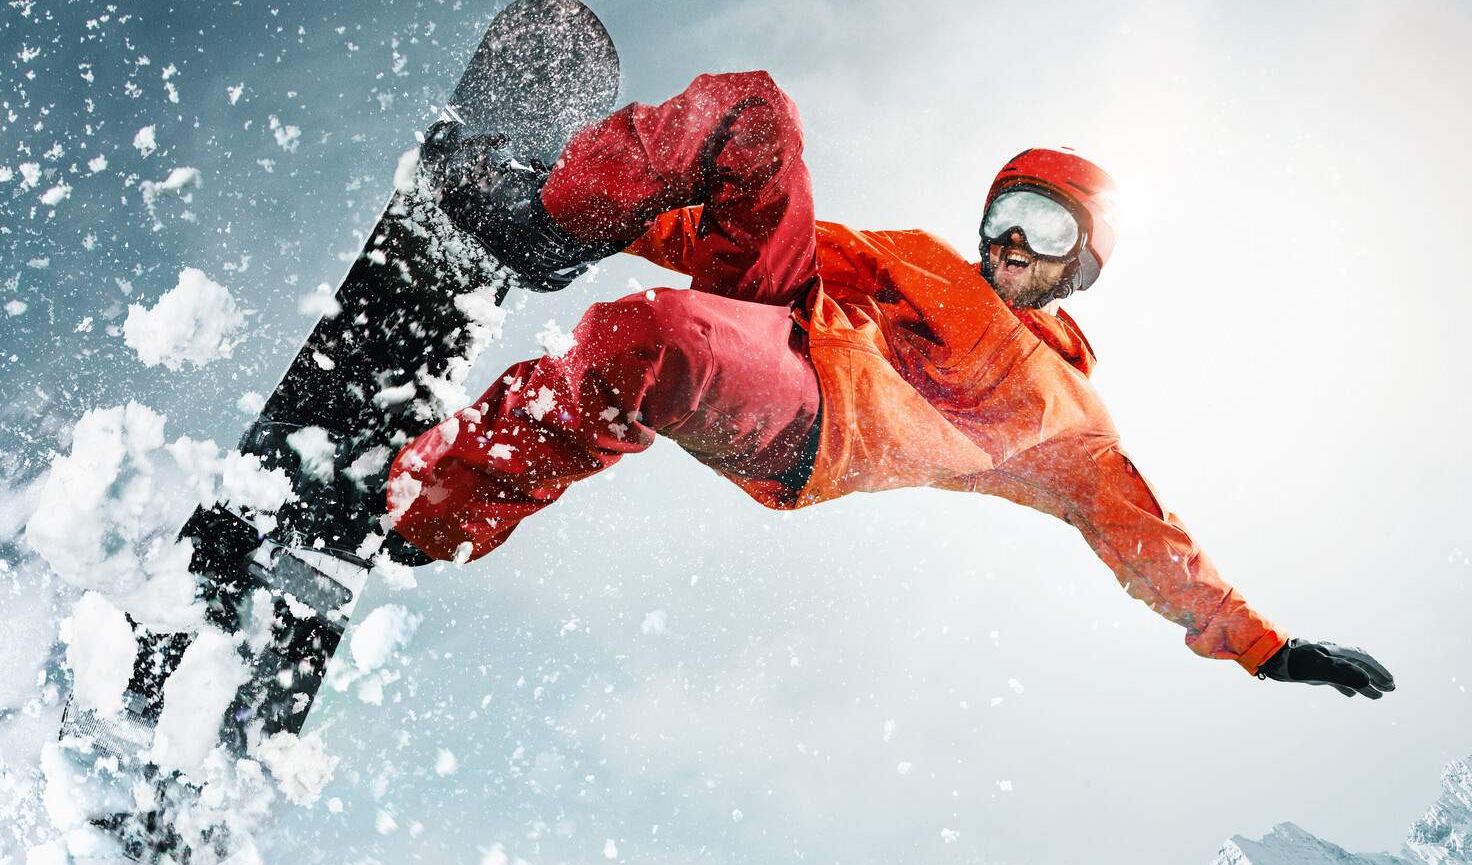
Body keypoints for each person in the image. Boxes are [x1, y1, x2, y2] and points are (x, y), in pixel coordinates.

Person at [387, 72, 1395, 698]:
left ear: (1082, 262)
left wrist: (1266, 648)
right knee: (757, 114)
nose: (1009, 239)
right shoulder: (920, 259)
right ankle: (542, 206)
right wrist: (615, 219)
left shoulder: (1070, 422)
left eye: (1044, 230)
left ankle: (431, 508)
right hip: (783, 317)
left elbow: (1148, 541)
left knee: (642, 338)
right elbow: (766, 242)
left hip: (814, 422)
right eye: (1006, 210)